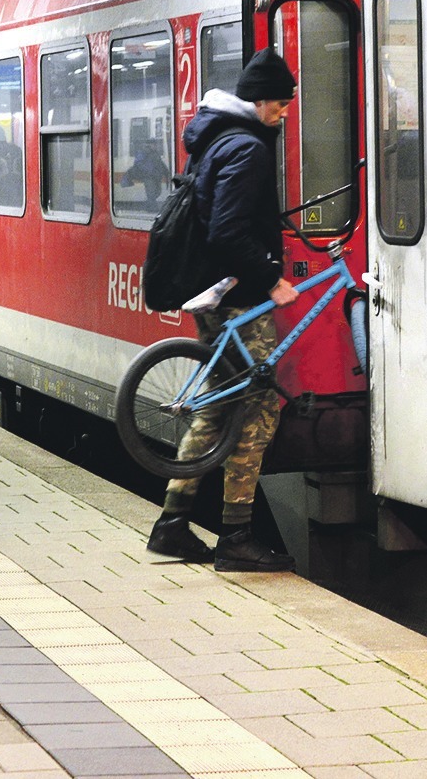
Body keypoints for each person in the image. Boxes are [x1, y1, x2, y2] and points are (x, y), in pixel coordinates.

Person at [146, 48, 301, 572]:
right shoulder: (248, 149)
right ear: (260, 101)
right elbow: (227, 231)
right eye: (280, 105)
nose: (284, 113)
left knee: (216, 406)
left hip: (213, 292)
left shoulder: (216, 138)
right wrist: (271, 279)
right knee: (259, 408)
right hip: (236, 298)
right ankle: (236, 536)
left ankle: (172, 524)